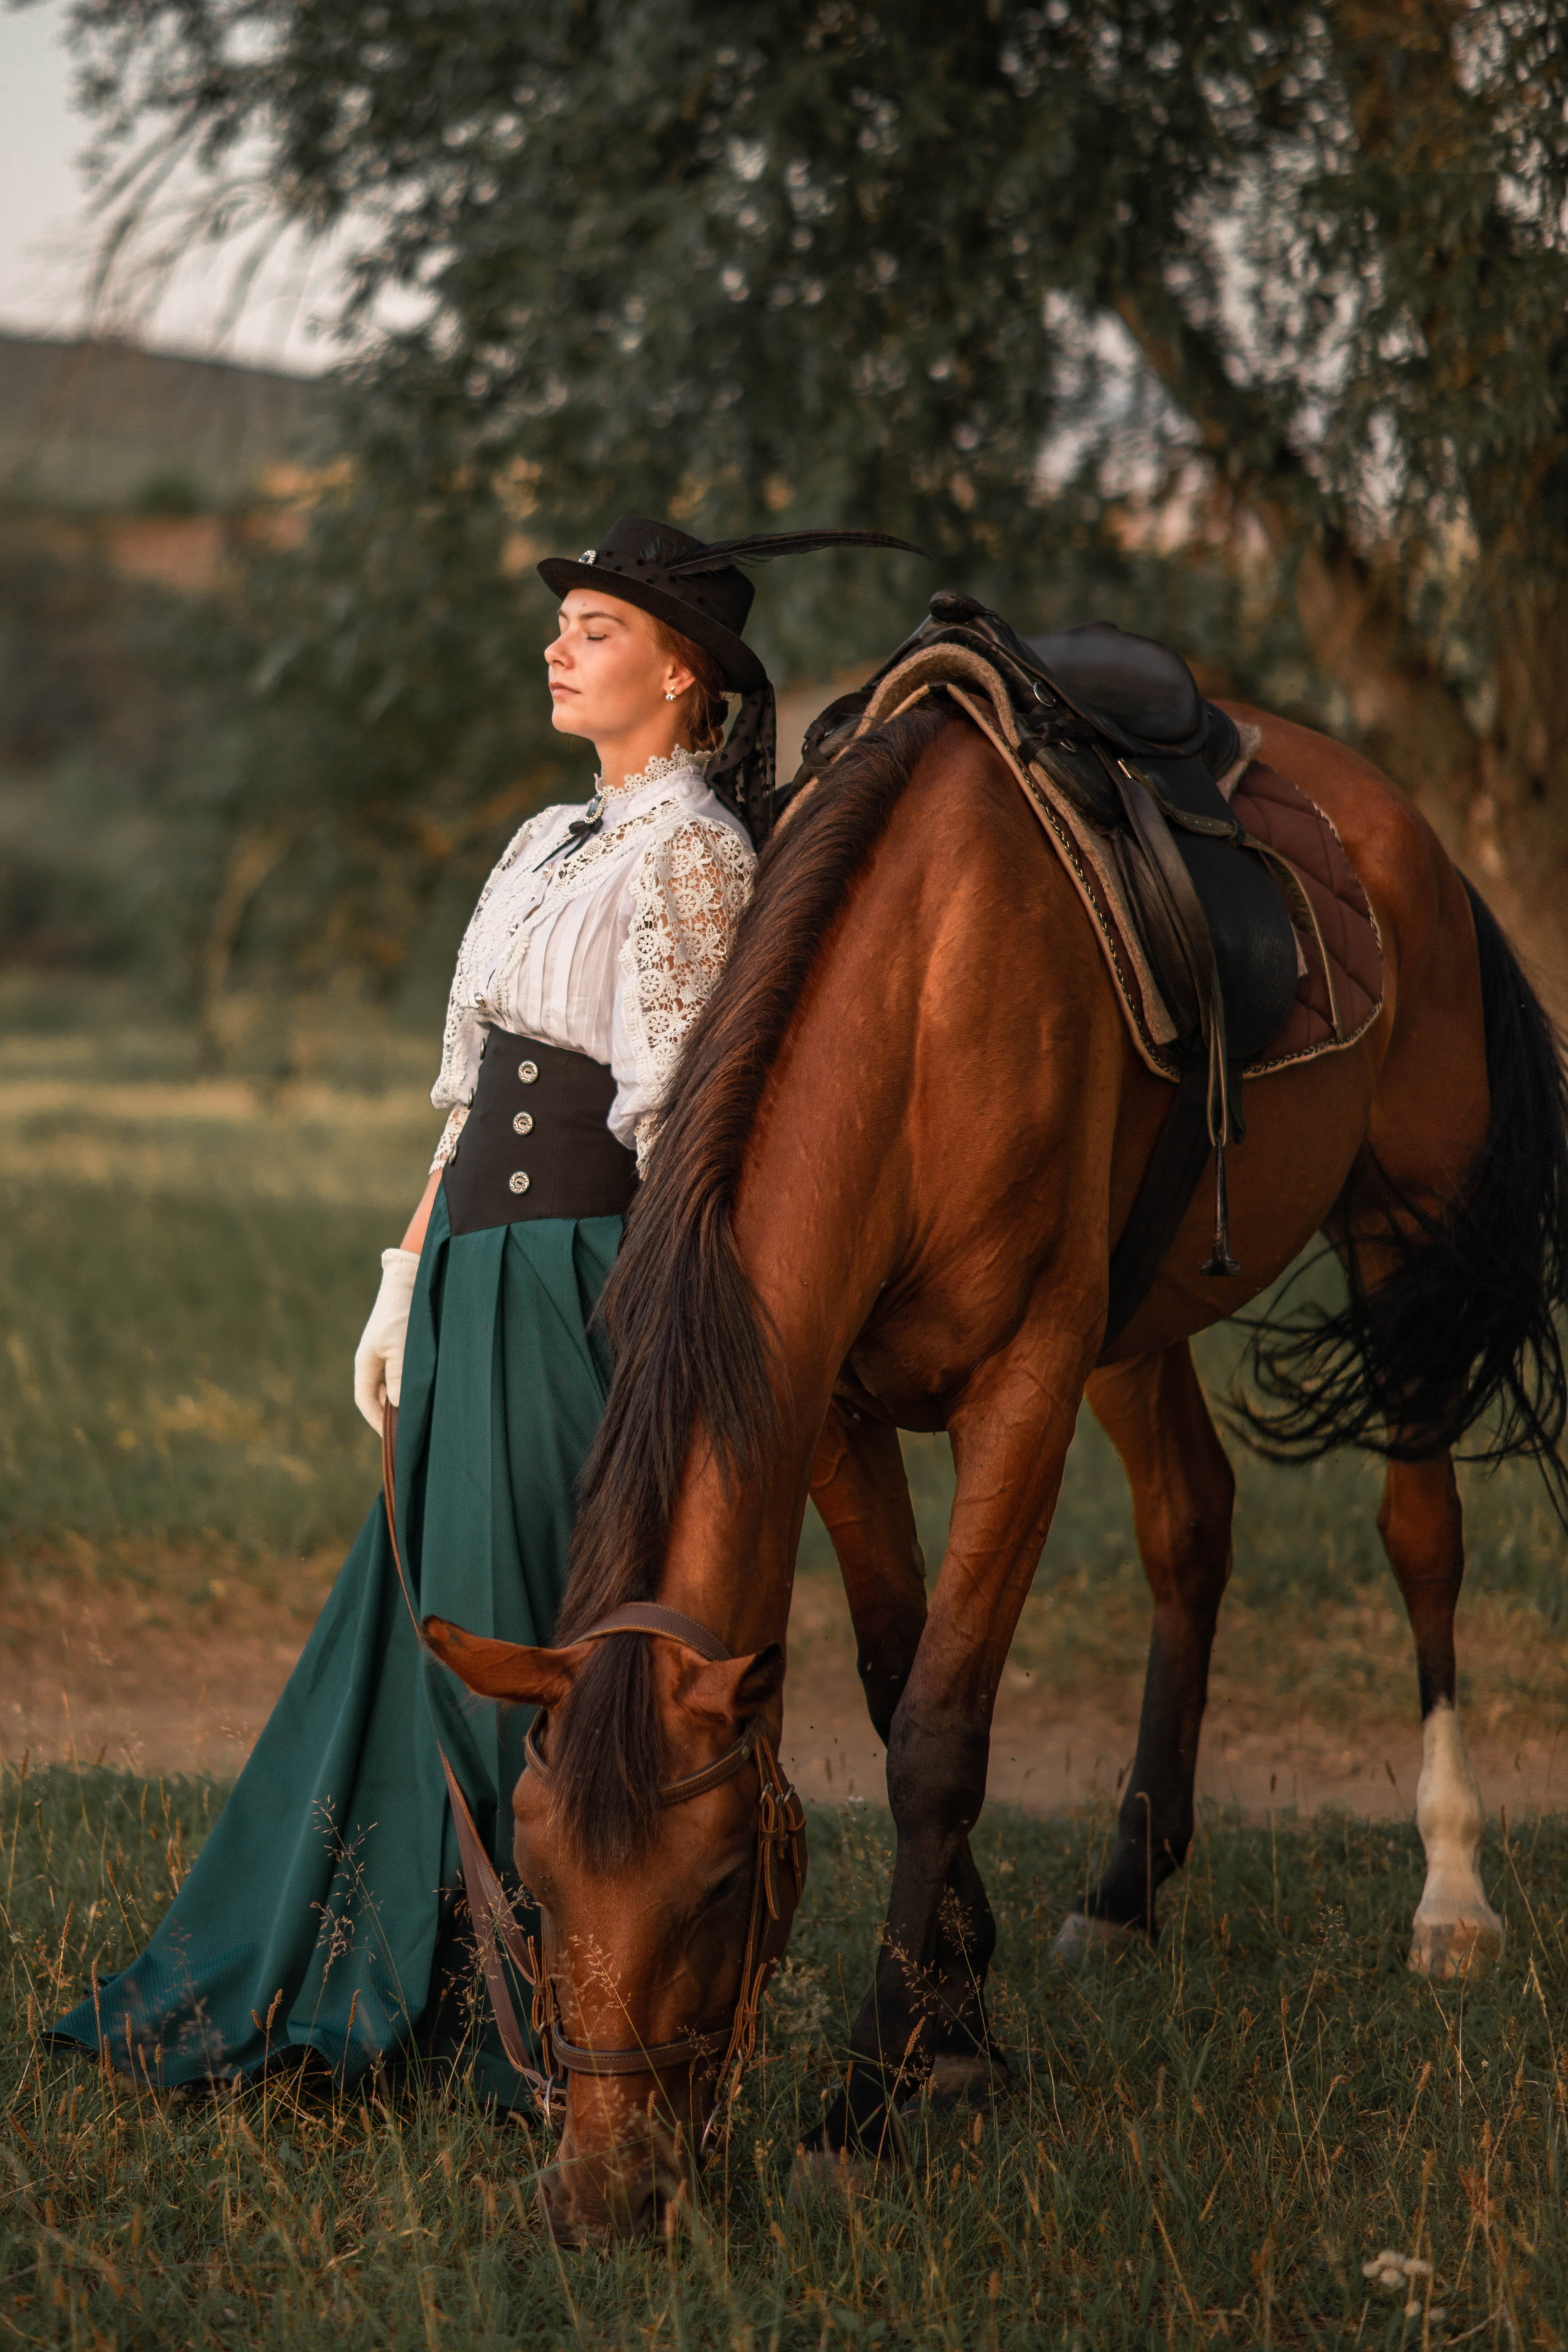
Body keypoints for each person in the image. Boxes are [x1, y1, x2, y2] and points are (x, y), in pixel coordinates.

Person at [53, 514, 918, 2101]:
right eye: (566, 625)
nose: (559, 649)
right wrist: (403, 1277)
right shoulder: (544, 842)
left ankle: (515, 2007)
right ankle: (380, 1966)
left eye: (593, 629)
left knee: (524, 1619)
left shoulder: (700, 861)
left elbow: (681, 1141)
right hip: (471, 1271)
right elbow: (471, 1106)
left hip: (582, 1287)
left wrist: (646, 1346)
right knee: (426, 1604)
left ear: (684, 674)